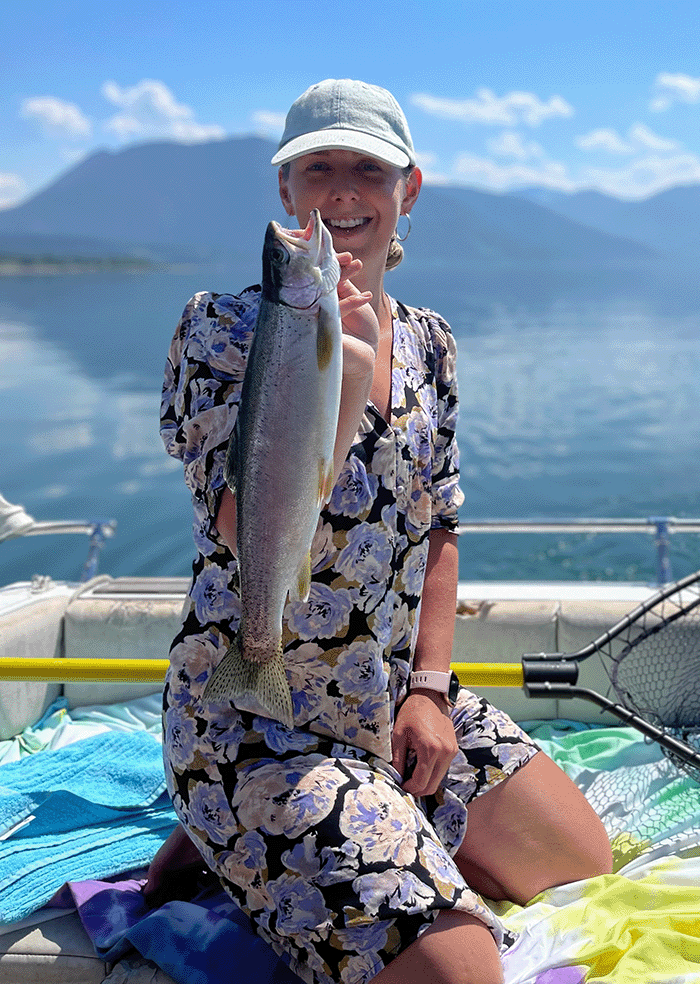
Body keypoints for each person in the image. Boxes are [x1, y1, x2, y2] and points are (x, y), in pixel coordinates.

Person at [148, 78, 612, 984]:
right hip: (255, 707)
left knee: (576, 864)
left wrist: (429, 691)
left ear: (410, 187)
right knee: (459, 971)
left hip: (390, 701)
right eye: (317, 169)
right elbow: (246, 525)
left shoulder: (434, 341)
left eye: (368, 167)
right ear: (287, 193)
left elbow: (441, 525)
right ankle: (237, 812)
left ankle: (274, 843)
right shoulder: (220, 328)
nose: (343, 190)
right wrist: (342, 374)